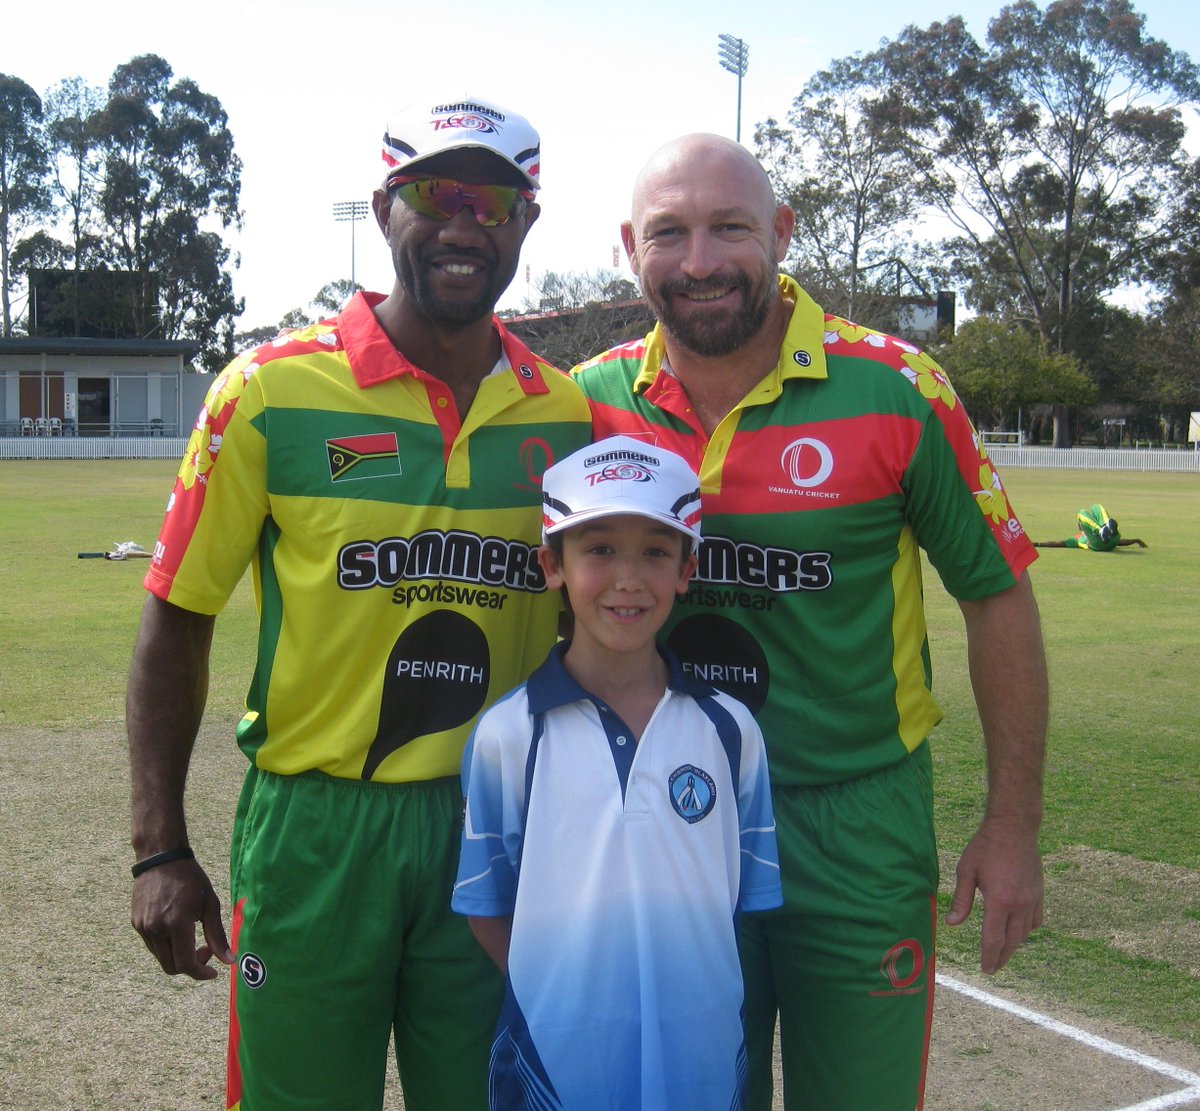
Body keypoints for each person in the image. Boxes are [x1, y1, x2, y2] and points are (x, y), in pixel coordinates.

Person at [126, 96, 591, 1111]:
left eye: (497, 202)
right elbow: (178, 615)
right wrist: (159, 844)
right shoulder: (266, 392)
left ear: (527, 224)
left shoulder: (567, 414)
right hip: (315, 834)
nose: (467, 223)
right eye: (437, 194)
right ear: (387, 209)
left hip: (495, 830)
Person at [572, 134, 1049, 1111]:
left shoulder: (898, 389)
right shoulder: (585, 404)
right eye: (671, 233)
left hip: (855, 823)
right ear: (631, 248)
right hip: (666, 823)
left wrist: (1010, 826)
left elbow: (995, 593)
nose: (700, 261)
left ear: (782, 234)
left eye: (731, 229)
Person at [452, 435, 782, 1111]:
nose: (629, 579)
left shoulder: (730, 731)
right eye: (599, 548)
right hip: (556, 1060)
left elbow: (739, 902)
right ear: (552, 564)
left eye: (656, 552)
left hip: (701, 1059)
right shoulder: (509, 735)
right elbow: (488, 910)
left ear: (687, 568)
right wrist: (571, 985)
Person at [1032, 503, 1148, 549]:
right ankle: (1102, 527)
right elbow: (1119, 542)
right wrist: (1038, 544)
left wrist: (1136, 541)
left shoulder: (1076, 539)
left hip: (1106, 541)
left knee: (1095, 507)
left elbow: (1058, 543)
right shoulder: (1076, 539)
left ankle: (1105, 525)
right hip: (1101, 543)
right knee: (1082, 512)